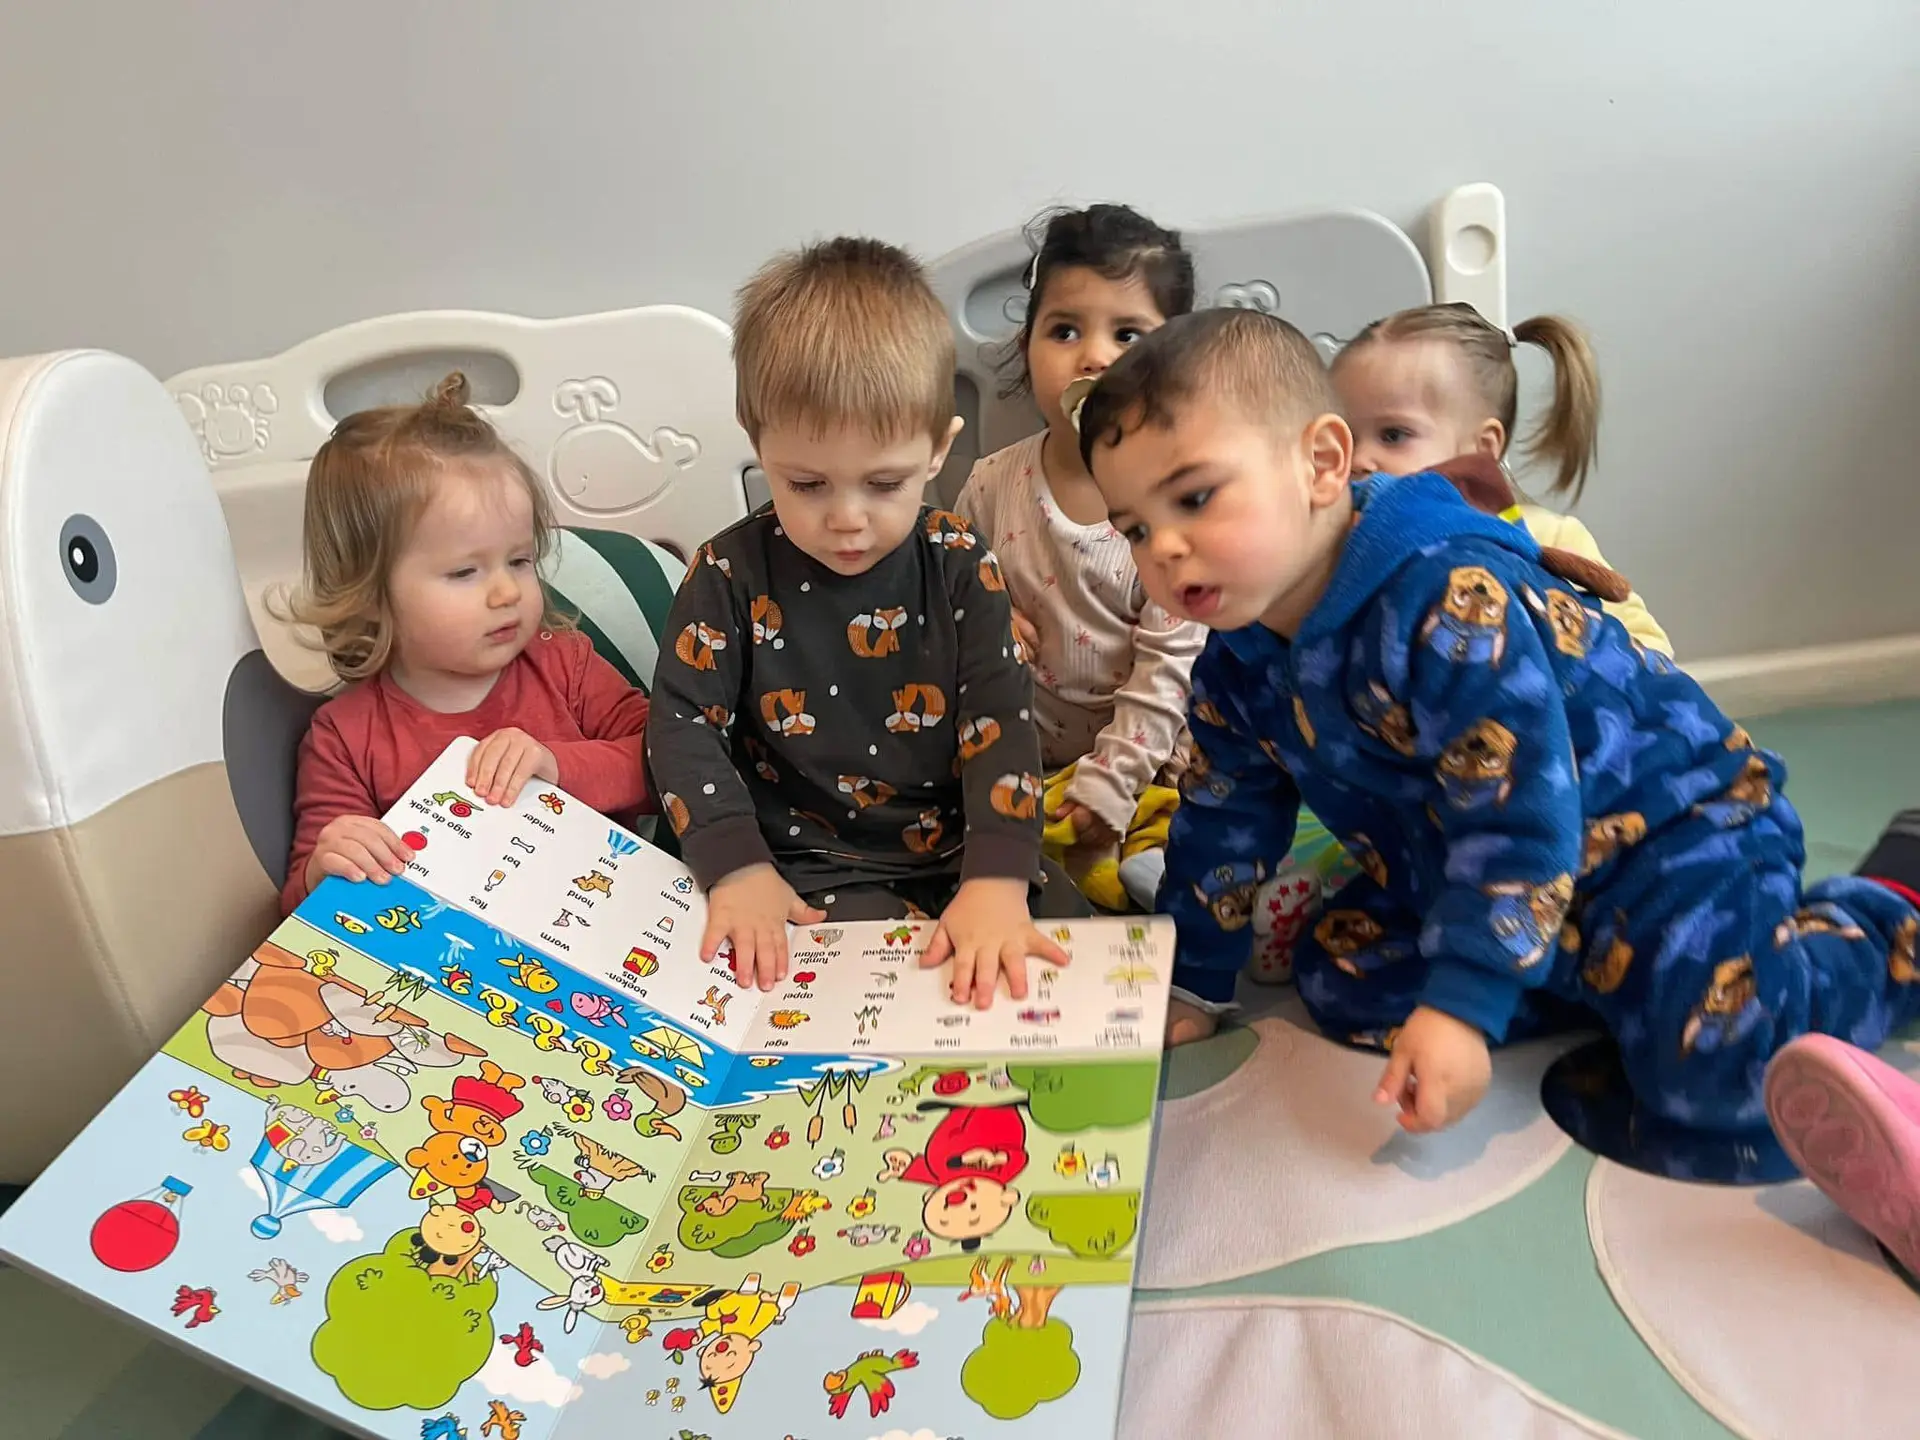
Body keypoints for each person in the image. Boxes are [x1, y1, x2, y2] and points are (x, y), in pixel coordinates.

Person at [1076, 307, 1920, 1146]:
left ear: (1323, 463)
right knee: (1341, 975)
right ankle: (1587, 972)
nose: (1165, 549)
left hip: (1668, 837)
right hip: (1474, 866)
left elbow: (1516, 811)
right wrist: (1194, 978)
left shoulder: (1445, 598)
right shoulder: (1235, 661)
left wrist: (1463, 1005)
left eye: (1195, 498)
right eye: (1136, 528)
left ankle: (1888, 914)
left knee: (1714, 1075)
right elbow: (1223, 814)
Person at [645, 237, 1078, 1010]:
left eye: (884, 483)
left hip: (960, 850)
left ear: (938, 450)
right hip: (802, 862)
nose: (847, 518)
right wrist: (737, 866)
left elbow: (1001, 725)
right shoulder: (726, 574)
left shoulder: (959, 562)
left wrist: (996, 878)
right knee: (858, 995)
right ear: (757, 440)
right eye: (807, 484)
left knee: (1069, 953)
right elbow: (681, 723)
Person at [280, 374, 652, 914]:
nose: (507, 592)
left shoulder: (565, 664)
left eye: (519, 561)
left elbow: (671, 763)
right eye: (464, 572)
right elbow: (298, 905)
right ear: (368, 595)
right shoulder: (344, 737)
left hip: (608, 921)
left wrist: (557, 766)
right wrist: (327, 866)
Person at [954, 204, 1207, 888]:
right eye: (1064, 330)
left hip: (1146, 758)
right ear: (1026, 347)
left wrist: (1112, 782)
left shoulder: (1174, 508)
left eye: (1128, 334)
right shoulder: (991, 484)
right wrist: (985, 614)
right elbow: (949, 588)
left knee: (1189, 805)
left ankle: (1147, 855)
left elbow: (1169, 669)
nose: (1094, 356)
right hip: (1018, 761)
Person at [1331, 302, 1672, 657]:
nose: (1356, 459)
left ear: (1480, 447)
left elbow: (1651, 649)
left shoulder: (1549, 536)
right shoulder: (1340, 545)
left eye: (1393, 435)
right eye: (1343, 436)